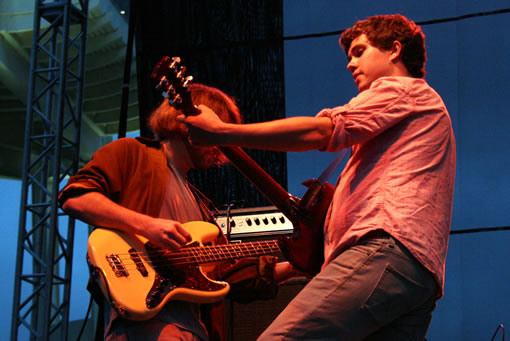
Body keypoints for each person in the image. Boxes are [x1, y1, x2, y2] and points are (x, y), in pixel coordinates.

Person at [179, 14, 456, 340]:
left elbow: (321, 131)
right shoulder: (419, 115)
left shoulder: (401, 90)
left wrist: (223, 132)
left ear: (395, 49)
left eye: (360, 51)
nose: (350, 64)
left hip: (382, 252)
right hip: (417, 276)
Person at [58, 83, 297, 341]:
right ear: (189, 124)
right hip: (147, 325)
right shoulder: (132, 153)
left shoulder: (202, 208)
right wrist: (148, 226)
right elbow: (75, 197)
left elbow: (231, 276)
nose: (221, 146)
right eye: (216, 135)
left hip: (197, 331)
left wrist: (301, 263)